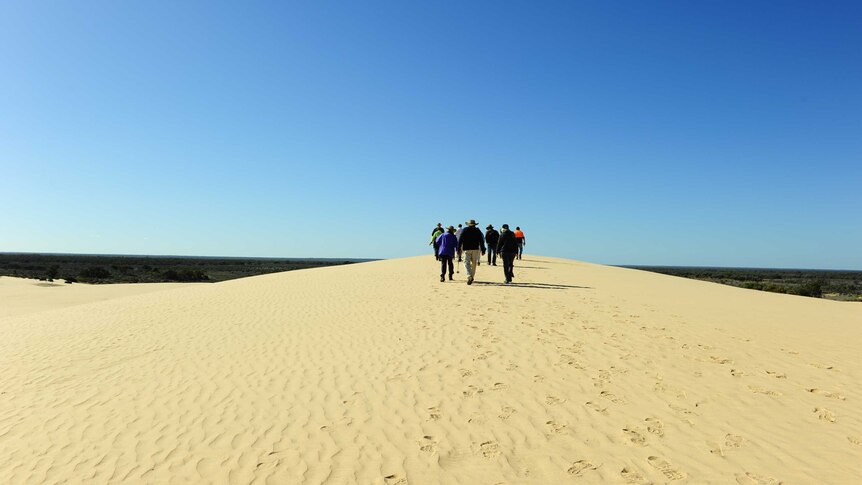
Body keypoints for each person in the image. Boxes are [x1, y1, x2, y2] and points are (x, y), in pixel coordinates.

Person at [457, 219, 485, 285]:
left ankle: (469, 275)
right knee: (474, 263)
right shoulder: (478, 230)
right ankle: (472, 276)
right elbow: (481, 241)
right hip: (475, 249)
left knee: (466, 263)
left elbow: (460, 240)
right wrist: (483, 250)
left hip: (467, 249)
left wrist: (458, 249)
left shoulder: (465, 230)